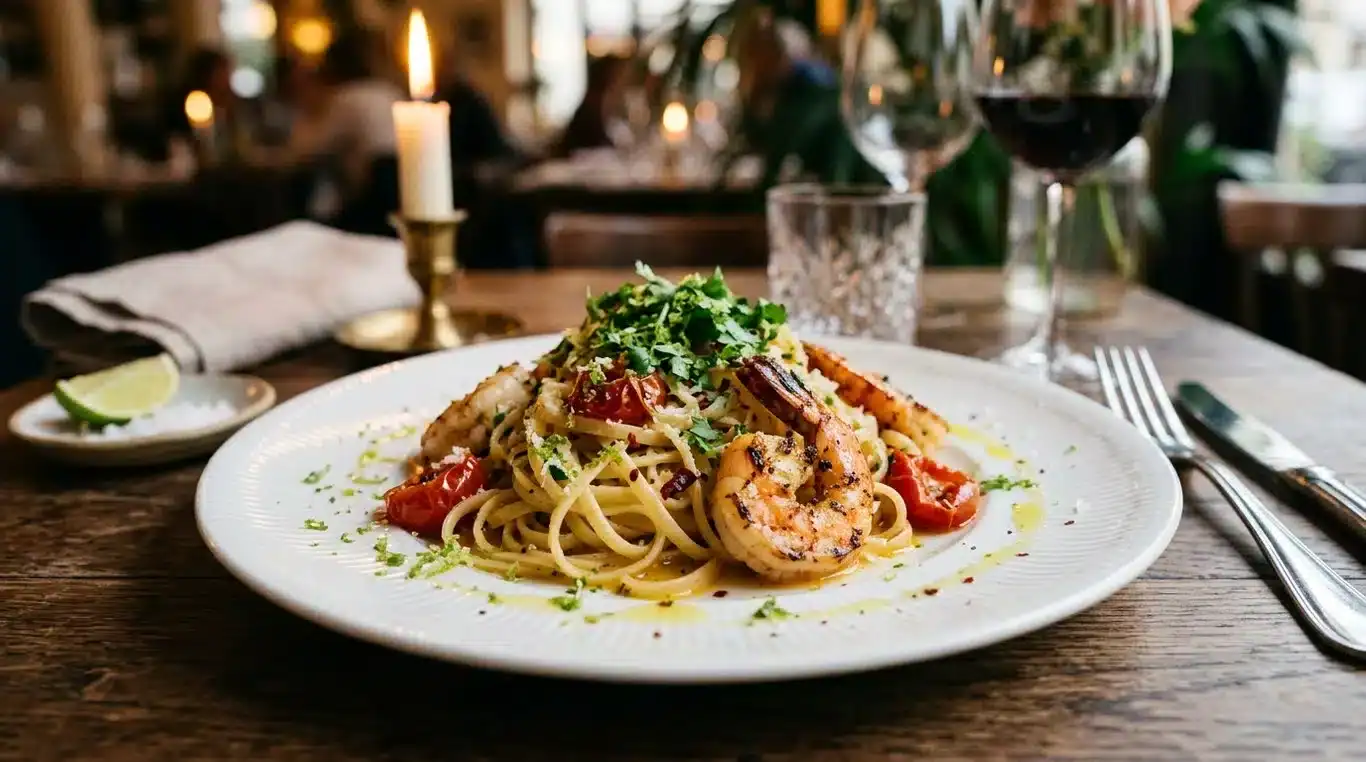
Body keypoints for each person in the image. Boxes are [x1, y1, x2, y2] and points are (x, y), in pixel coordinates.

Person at [291, 31, 404, 229]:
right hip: (404, 195)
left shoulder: (346, 98)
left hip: (369, 202)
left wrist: (306, 109)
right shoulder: (390, 92)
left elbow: (306, 151)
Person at [551, 54, 630, 158]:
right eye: (621, 76)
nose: (624, 82)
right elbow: (594, 145)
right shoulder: (590, 108)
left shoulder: (606, 105)